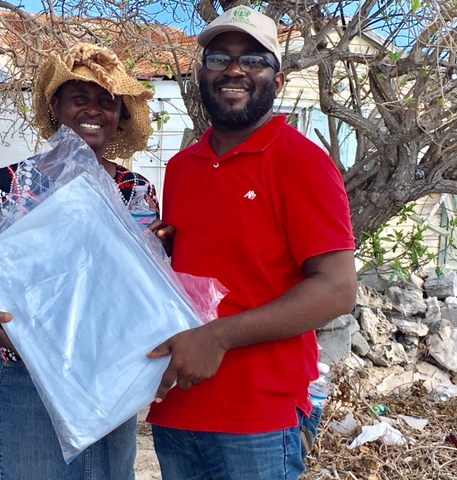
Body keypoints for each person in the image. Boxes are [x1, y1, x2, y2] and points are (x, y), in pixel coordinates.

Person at [146, 6, 358, 480]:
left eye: (255, 59)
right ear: (202, 76)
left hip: (260, 419)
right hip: (178, 406)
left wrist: (216, 337)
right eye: (220, 58)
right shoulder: (182, 168)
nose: (235, 69)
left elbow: (337, 289)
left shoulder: (301, 162)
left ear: (277, 82)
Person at [0, 43, 157, 480]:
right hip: (32, 371)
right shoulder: (9, 185)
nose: (93, 110)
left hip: (112, 370)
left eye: (107, 101)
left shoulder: (137, 191)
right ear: (56, 105)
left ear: (120, 116)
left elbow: (147, 283)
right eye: (80, 97)